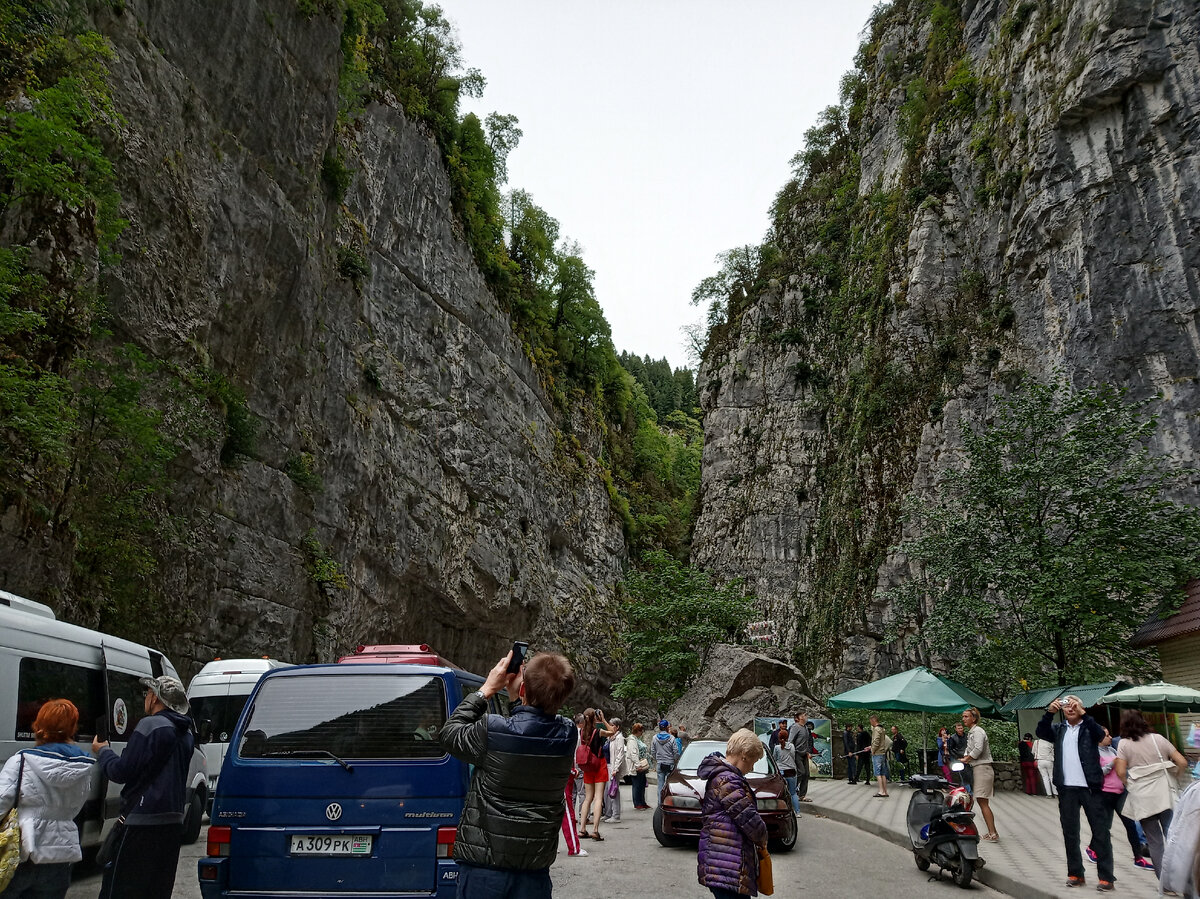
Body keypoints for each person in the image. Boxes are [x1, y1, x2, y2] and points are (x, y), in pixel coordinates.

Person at [439, 649, 577, 896]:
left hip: (484, 870)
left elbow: (450, 735)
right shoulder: (567, 734)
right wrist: (519, 695)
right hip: (533, 873)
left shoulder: (492, 730)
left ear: (523, 690)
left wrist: (486, 689)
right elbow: (528, 726)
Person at [92, 675, 195, 899]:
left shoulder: (150, 725)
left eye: (148, 693)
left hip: (141, 821)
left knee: (121, 888)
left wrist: (103, 751)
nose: (146, 697)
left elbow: (121, 771)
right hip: (173, 822)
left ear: (156, 698)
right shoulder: (186, 734)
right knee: (156, 889)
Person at [0, 699, 94, 899]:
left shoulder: (21, 761)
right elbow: (77, 807)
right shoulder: (83, 768)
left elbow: (1, 802)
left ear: (39, 725)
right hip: (60, 857)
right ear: (72, 728)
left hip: (21, 854)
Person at [1037, 694, 1115, 891]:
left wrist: (1084, 713)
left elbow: (1100, 735)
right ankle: (1075, 873)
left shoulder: (1089, 727)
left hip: (1090, 787)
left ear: (1080, 707)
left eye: (1074, 705)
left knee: (1100, 832)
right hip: (1067, 788)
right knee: (1070, 833)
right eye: (1066, 705)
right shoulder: (1059, 729)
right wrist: (1049, 713)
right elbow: (1041, 732)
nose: (1069, 708)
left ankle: (1106, 877)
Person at [1114, 708, 1189, 880]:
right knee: (1173, 835)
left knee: (1154, 842)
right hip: (1165, 794)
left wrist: (1130, 784)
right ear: (1143, 720)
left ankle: (1165, 883)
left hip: (1143, 798)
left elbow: (1120, 771)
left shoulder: (1124, 744)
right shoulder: (1158, 739)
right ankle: (1184, 878)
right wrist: (1175, 776)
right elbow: (1182, 762)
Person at [696, 729, 768, 899]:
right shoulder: (728, 780)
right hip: (728, 866)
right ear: (744, 755)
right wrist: (763, 836)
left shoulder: (722, 776)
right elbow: (750, 821)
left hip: (721, 862)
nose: (752, 768)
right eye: (753, 761)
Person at [1088, 727, 1153, 873]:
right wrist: (1112, 764)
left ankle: (1138, 858)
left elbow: (1123, 767)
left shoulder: (1112, 751)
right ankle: (1092, 848)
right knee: (1104, 827)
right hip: (1105, 794)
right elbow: (1097, 774)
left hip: (1120, 793)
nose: (1110, 737)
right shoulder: (1093, 753)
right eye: (1106, 735)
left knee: (1130, 825)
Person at [960, 707, 998, 842]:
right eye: (963, 716)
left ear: (973, 718)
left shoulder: (978, 731)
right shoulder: (972, 732)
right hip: (978, 768)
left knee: (982, 801)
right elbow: (969, 748)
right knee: (982, 802)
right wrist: (965, 757)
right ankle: (992, 831)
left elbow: (978, 748)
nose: (963, 719)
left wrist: (967, 758)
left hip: (983, 768)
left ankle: (993, 833)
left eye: (966, 716)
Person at [576, 709, 611, 840]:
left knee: (587, 798)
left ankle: (582, 828)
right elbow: (613, 732)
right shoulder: (599, 732)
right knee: (598, 798)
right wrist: (603, 719)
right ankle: (595, 830)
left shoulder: (581, 732)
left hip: (587, 766)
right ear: (595, 718)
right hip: (599, 765)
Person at [602, 718, 629, 823]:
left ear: (617, 727)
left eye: (612, 725)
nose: (610, 726)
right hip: (607, 765)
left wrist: (616, 768)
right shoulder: (610, 738)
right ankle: (608, 813)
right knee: (606, 791)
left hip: (613, 767)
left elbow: (620, 754)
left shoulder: (619, 738)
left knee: (613, 790)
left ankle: (616, 815)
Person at [772, 726, 801, 815]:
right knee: (793, 793)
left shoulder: (777, 747)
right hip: (791, 770)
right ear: (787, 737)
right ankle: (797, 812)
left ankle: (781, 811)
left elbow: (774, 758)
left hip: (781, 771)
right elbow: (793, 756)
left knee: (780, 793)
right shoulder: (792, 746)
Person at [652, 719, 680, 803]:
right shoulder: (671, 738)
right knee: (669, 785)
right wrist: (675, 760)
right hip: (670, 763)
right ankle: (668, 803)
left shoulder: (654, 738)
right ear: (667, 727)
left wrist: (657, 759)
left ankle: (660, 803)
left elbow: (653, 751)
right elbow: (675, 751)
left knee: (660, 785)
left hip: (660, 763)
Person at [790, 714, 813, 802]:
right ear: (798, 718)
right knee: (801, 772)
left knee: (806, 774)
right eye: (803, 715)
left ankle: (802, 795)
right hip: (797, 753)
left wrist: (808, 751)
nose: (806, 716)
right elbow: (790, 740)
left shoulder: (805, 728)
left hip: (804, 754)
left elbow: (807, 741)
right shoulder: (795, 727)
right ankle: (791, 791)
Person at [868, 715, 890, 798]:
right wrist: (871, 746)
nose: (871, 723)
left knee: (878, 773)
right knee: (883, 773)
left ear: (873, 720)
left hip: (877, 753)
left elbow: (876, 741)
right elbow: (881, 742)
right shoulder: (882, 729)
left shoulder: (876, 729)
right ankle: (885, 791)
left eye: (871, 721)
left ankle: (881, 791)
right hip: (882, 753)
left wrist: (872, 750)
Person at [630, 723, 650, 810]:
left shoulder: (637, 739)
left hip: (642, 765)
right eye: (641, 731)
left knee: (642, 784)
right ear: (638, 731)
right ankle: (637, 803)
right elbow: (633, 754)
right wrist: (637, 765)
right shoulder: (632, 740)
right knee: (637, 784)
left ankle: (642, 802)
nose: (642, 732)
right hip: (637, 766)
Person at [947, 722, 972, 792]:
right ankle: (968, 791)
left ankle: (967, 790)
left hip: (966, 758)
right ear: (956, 729)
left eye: (961, 728)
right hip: (958, 759)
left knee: (967, 775)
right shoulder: (952, 737)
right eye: (958, 728)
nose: (960, 730)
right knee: (962, 775)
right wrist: (956, 758)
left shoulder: (967, 736)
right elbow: (950, 749)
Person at [1034, 731, 1057, 796]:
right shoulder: (1050, 743)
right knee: (1052, 777)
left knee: (1045, 777)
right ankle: (1055, 793)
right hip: (1049, 760)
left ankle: (1049, 794)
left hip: (1040, 761)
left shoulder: (1036, 742)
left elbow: (1033, 751)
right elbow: (1053, 753)